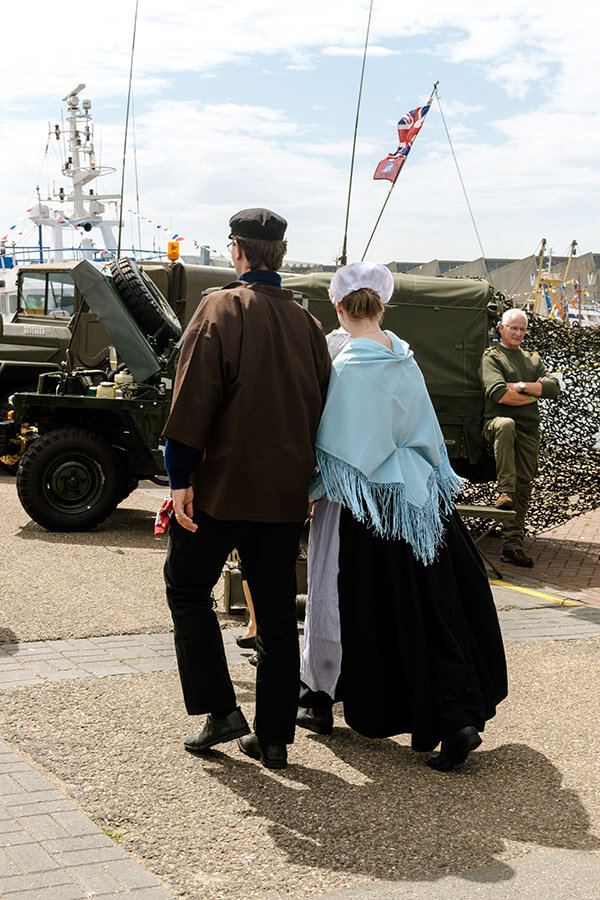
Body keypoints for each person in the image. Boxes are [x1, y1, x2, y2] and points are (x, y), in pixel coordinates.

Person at [299, 262, 508, 772]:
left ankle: (320, 696)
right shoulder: (403, 356)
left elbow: (338, 450)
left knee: (347, 603)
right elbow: (424, 430)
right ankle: (456, 714)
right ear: (383, 305)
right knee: (431, 607)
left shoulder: (348, 366)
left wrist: (306, 489)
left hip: (365, 506)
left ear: (340, 306)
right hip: (420, 499)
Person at [162, 208, 331, 770]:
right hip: (284, 495)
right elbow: (322, 413)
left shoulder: (219, 308)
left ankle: (221, 709)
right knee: (280, 612)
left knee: (187, 588)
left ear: (237, 249)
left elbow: (193, 398)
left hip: (220, 488)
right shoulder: (307, 324)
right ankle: (275, 736)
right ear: (278, 254)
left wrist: (181, 475)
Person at [480, 308, 560, 567]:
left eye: (521, 329)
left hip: (529, 430)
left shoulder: (533, 358)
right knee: (506, 423)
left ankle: (512, 546)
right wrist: (536, 391)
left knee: (523, 487)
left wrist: (524, 387)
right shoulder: (492, 357)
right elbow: (500, 395)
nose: (517, 333)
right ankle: (503, 490)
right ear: (501, 328)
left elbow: (554, 387)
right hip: (496, 425)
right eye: (512, 328)